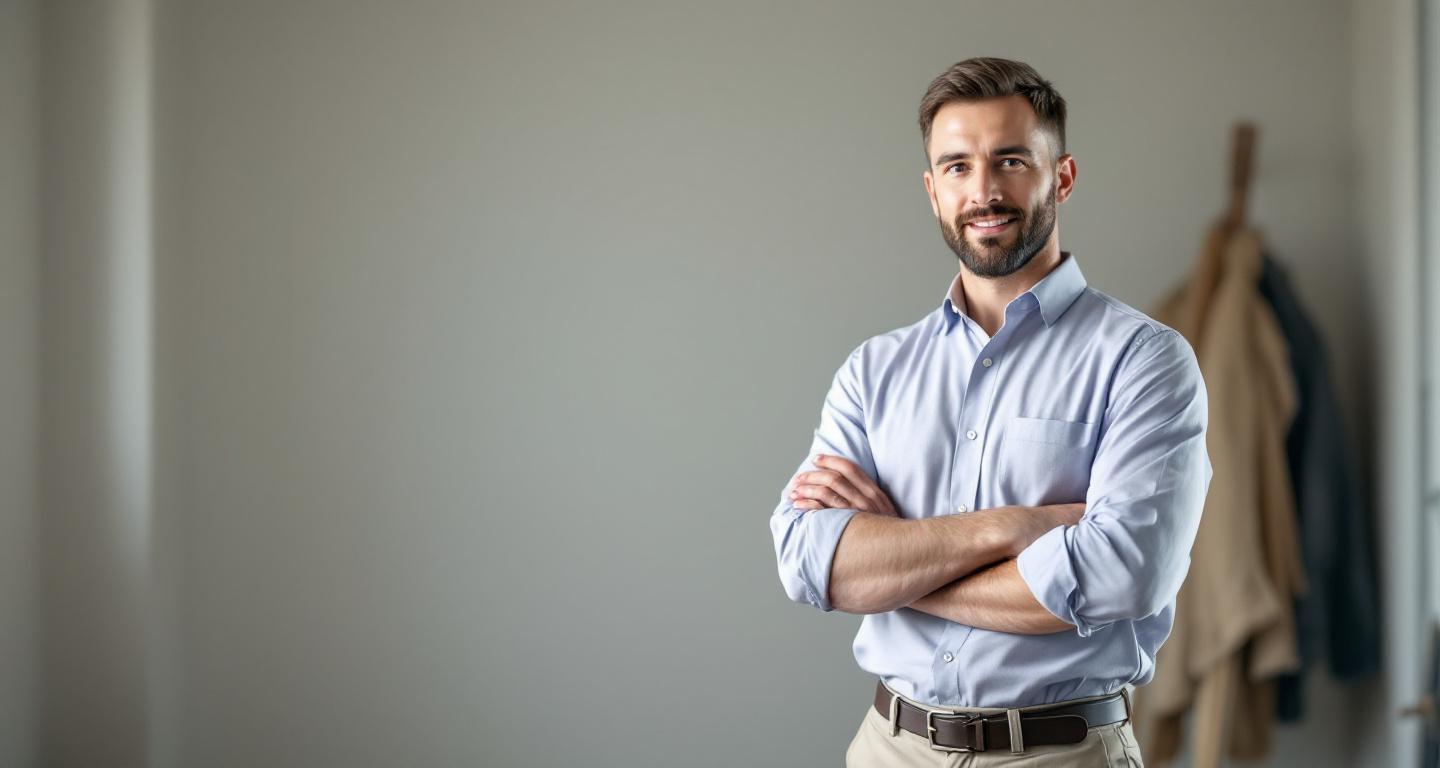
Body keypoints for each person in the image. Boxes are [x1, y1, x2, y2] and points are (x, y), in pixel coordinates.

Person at [768, 57, 1212, 767]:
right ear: (931, 189)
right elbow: (809, 561)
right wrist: (1013, 528)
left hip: (1060, 753)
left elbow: (1122, 573)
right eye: (957, 167)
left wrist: (895, 566)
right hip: (888, 748)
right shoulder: (874, 371)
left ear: (1061, 176)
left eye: (1010, 160)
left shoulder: (1144, 361)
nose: (983, 191)